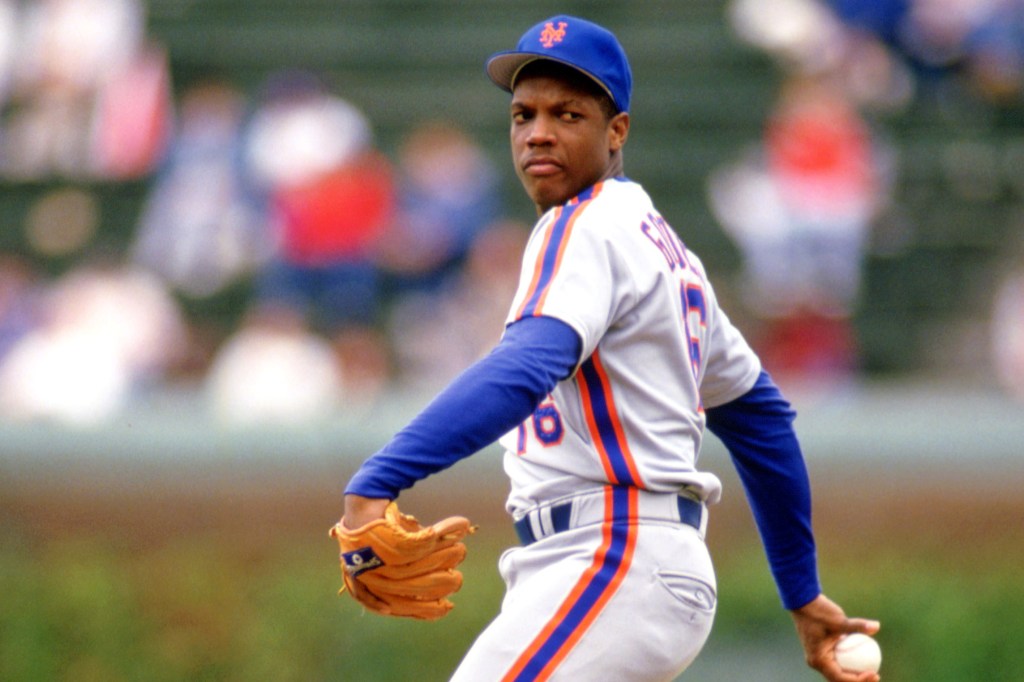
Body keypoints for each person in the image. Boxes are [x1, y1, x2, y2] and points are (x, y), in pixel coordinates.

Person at [340, 15, 880, 682]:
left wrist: (378, 480)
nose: (538, 131)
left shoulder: (586, 225)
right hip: (614, 567)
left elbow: (527, 366)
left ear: (616, 130)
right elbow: (760, 419)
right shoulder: (663, 248)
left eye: (567, 113)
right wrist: (800, 591)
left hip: (615, 554)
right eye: (523, 114)